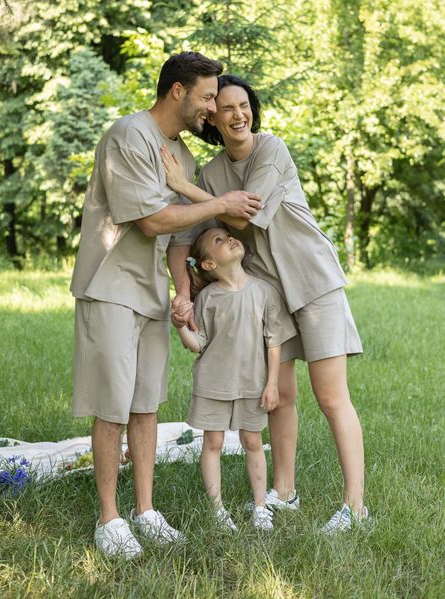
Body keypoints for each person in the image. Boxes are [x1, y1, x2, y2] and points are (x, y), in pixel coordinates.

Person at [70, 56, 263, 558]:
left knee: (146, 404)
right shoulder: (127, 136)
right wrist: (221, 204)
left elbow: (180, 238)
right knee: (111, 405)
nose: (212, 108)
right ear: (177, 91)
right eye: (206, 97)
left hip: (153, 293)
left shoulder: (183, 156)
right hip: (110, 285)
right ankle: (109, 519)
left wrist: (181, 290)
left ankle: (145, 510)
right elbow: (153, 222)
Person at [161, 74, 369, 533]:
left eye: (244, 105)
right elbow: (186, 236)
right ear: (212, 118)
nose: (238, 114)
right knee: (281, 397)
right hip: (269, 293)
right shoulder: (213, 172)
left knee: (332, 397)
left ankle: (355, 507)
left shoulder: (270, 149)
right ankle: (283, 492)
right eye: (226, 108)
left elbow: (243, 213)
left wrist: (188, 187)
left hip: (312, 283)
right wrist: (183, 289)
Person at [174, 227, 296, 531]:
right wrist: (179, 326)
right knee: (212, 442)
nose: (229, 239)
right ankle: (218, 510)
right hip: (213, 383)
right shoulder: (208, 298)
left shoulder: (264, 291)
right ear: (209, 265)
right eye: (218, 240)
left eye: (228, 236)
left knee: (253, 441)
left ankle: (260, 506)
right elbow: (199, 343)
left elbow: (274, 341)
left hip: (252, 384)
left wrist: (271, 384)